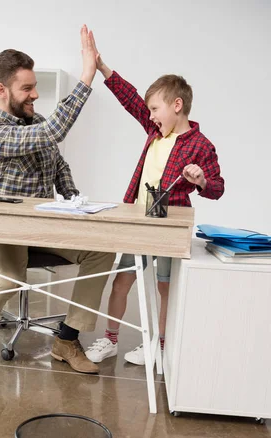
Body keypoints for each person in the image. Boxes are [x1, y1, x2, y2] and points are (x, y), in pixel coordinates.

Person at [0, 26, 115, 374]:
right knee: (9, 276)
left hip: (45, 225)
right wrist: (87, 74)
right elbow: (54, 133)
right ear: (2, 90)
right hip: (5, 230)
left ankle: (66, 338)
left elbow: (58, 164)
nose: (35, 94)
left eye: (34, 87)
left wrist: (77, 202)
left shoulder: (39, 122)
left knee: (103, 249)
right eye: (26, 88)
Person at [85, 35, 224, 365]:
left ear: (177, 106)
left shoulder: (200, 145)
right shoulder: (155, 131)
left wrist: (201, 180)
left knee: (165, 288)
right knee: (122, 280)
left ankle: (159, 347)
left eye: (155, 109)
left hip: (169, 226)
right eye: (149, 111)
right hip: (139, 219)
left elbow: (217, 186)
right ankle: (110, 340)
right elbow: (130, 98)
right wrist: (102, 66)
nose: (150, 115)